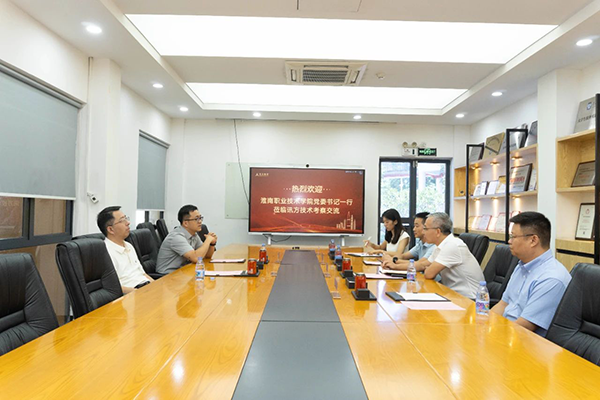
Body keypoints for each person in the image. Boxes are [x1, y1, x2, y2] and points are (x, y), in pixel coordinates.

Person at [491, 212, 571, 337]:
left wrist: (491, 335)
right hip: (506, 332)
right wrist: (484, 326)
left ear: (533, 240)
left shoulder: (552, 278)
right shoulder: (521, 266)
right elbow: (503, 304)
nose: (509, 241)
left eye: (513, 236)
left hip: (523, 340)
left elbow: (523, 326)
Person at [422, 212, 484, 298]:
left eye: (425, 228)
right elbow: (424, 265)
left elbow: (429, 274)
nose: (423, 232)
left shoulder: (452, 245)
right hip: (452, 294)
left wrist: (429, 269)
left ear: (438, 231)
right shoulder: (440, 245)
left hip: (469, 299)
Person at [97, 206, 154, 294]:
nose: (127, 223)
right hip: (131, 294)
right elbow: (111, 287)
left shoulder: (129, 245)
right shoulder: (105, 252)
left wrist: (156, 285)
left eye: (126, 218)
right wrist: (139, 292)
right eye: (122, 221)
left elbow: (142, 273)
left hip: (145, 288)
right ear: (110, 229)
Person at [156, 204, 218, 274]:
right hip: (167, 275)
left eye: (200, 218)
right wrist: (208, 240)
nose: (200, 221)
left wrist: (212, 244)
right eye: (196, 219)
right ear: (186, 223)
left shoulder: (194, 235)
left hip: (182, 271)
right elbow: (196, 258)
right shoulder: (176, 237)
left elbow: (206, 256)